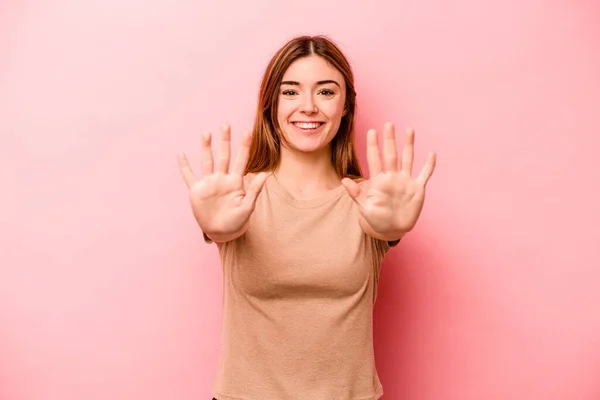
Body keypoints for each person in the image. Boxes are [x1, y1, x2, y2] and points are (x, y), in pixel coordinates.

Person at [177, 35, 436, 400]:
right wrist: (215, 227)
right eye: (291, 92)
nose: (309, 106)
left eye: (326, 92)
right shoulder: (237, 197)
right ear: (271, 105)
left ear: (345, 106)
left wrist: (392, 230)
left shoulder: (370, 200)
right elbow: (220, 221)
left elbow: (386, 223)